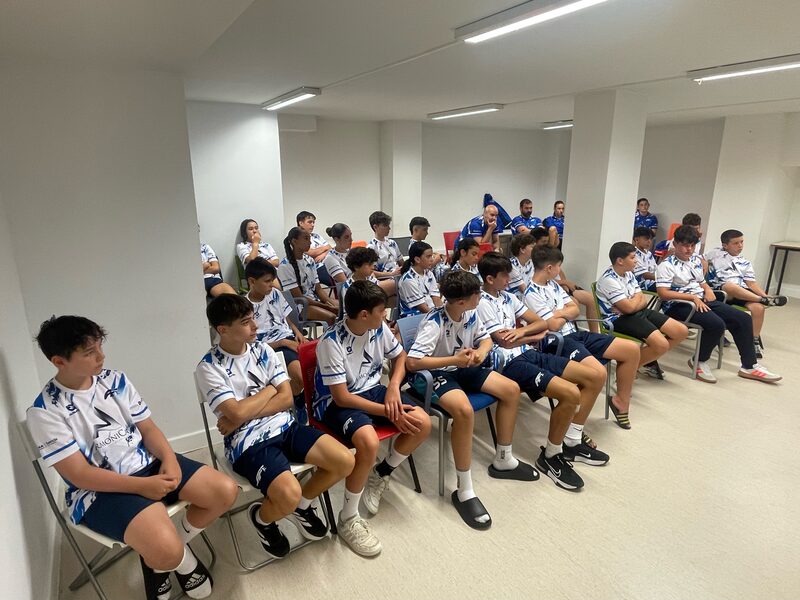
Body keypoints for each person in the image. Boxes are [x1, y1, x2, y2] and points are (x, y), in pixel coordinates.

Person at [28, 316, 238, 600]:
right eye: (89, 353)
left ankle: (159, 556)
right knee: (167, 550)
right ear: (59, 361)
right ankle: (177, 560)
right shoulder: (44, 411)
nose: (101, 356)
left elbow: (148, 429)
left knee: (224, 491)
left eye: (100, 346)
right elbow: (79, 475)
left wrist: (169, 459)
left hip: (145, 463)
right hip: (98, 491)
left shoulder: (115, 380)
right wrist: (141, 487)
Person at [196, 295, 354, 560]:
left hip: (286, 426)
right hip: (247, 443)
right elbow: (238, 411)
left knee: (344, 460)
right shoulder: (208, 367)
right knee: (287, 494)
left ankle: (301, 507)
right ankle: (262, 519)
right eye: (246, 322)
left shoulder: (263, 350)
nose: (255, 326)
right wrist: (269, 390)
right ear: (223, 330)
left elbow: (286, 399)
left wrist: (243, 411)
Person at [407, 270, 536, 530]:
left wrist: (480, 353)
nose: (481, 296)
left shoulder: (471, 313)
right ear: (461, 301)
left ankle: (504, 458)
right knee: (464, 411)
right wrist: (453, 360)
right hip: (435, 374)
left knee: (511, 389)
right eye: (477, 294)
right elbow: (413, 362)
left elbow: (486, 340)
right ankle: (464, 489)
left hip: (464, 367)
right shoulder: (435, 322)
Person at [313, 281, 431, 556]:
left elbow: (400, 356)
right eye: (382, 311)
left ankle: (382, 473)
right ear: (363, 314)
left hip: (375, 391)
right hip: (337, 403)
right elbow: (342, 397)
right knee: (367, 441)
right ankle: (348, 518)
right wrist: (391, 412)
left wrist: (392, 387)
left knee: (422, 422)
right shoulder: (331, 343)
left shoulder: (377, 329)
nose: (386, 316)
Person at [476, 253, 609, 491]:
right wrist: (530, 334)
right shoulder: (481, 302)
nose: (510, 278)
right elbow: (504, 342)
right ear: (489, 278)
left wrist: (525, 333)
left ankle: (572, 439)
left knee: (596, 375)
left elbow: (541, 324)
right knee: (570, 393)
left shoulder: (507, 297)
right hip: (507, 364)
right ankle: (550, 455)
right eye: (505, 275)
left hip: (528, 352)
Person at [526, 247, 641, 430]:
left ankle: (620, 403)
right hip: (557, 341)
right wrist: (566, 313)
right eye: (558, 267)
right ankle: (572, 429)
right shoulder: (531, 293)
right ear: (549, 268)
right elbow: (553, 326)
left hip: (575, 333)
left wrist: (559, 313)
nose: (560, 271)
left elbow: (575, 308)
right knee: (599, 373)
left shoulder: (553, 285)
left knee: (631, 350)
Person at [656, 225, 781, 384]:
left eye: (692, 246)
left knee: (743, 318)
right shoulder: (666, 265)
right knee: (717, 324)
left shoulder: (695, 260)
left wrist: (707, 289)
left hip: (701, 299)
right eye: (684, 245)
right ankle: (699, 361)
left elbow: (701, 281)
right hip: (678, 305)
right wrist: (692, 298)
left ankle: (749, 366)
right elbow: (663, 293)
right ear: (675, 243)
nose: (689, 249)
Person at [596, 242, 689, 381]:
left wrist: (633, 302)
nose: (636, 261)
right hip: (618, 319)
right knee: (661, 345)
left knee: (681, 331)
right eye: (633, 258)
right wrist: (634, 302)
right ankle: (625, 373)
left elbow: (642, 300)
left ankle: (632, 365)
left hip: (634, 313)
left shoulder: (628, 274)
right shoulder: (608, 280)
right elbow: (628, 308)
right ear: (620, 261)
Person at [245, 258, 309, 423]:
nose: (271, 285)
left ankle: (303, 400)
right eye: (267, 281)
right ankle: (298, 401)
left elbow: (286, 318)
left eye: (272, 281)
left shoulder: (274, 294)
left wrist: (297, 332)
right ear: (252, 281)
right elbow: (251, 344)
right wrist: (283, 343)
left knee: (316, 365)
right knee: (301, 376)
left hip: (287, 339)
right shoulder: (245, 306)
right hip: (269, 347)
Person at [705, 229, 788, 357]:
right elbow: (701, 258)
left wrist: (765, 295)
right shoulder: (716, 253)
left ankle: (753, 341)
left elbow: (751, 284)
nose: (740, 246)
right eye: (736, 243)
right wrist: (704, 265)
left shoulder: (745, 262)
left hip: (743, 292)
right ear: (725, 245)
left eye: (742, 242)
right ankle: (762, 299)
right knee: (730, 286)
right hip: (721, 291)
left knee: (758, 308)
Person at [279, 227, 339, 325]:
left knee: (344, 308)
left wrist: (329, 302)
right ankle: (328, 340)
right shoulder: (285, 266)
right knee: (331, 316)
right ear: (294, 241)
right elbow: (299, 297)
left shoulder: (309, 260)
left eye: (310, 239)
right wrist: (327, 306)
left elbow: (318, 289)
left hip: (315, 301)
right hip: (300, 306)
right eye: (306, 239)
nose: (310, 242)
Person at [398, 241, 442, 317]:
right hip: (414, 316)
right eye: (428, 256)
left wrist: (443, 313)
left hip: (430, 311)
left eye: (432, 256)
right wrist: (440, 317)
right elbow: (422, 308)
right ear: (417, 259)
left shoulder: (429, 273)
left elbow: (436, 298)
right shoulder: (408, 280)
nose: (432, 259)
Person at [632, 227, 657, 291]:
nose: (649, 241)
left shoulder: (649, 254)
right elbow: (645, 275)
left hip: (654, 281)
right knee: (667, 287)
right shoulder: (634, 254)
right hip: (641, 283)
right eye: (646, 239)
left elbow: (656, 270)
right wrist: (663, 279)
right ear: (637, 239)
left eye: (650, 239)